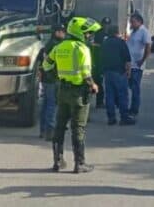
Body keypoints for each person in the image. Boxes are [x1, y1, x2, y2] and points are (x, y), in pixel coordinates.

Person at [42, 17, 101, 174]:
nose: (90, 36)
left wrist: (58, 75)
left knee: (60, 126)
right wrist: (93, 86)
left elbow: (46, 65)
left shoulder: (59, 47)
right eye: (88, 33)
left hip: (62, 91)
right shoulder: (82, 49)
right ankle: (79, 163)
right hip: (79, 93)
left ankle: (58, 161)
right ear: (81, 33)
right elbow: (86, 73)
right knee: (78, 128)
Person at [101, 25, 135, 126]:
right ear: (117, 32)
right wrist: (128, 71)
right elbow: (127, 59)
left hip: (108, 72)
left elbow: (101, 57)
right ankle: (124, 117)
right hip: (119, 73)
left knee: (109, 96)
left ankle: (111, 118)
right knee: (122, 95)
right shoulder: (121, 43)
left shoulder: (105, 43)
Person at [40, 24, 66, 140]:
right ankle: (49, 131)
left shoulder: (48, 44)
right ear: (57, 32)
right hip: (52, 78)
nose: (63, 34)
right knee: (52, 105)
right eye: (62, 32)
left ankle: (43, 130)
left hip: (47, 78)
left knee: (46, 105)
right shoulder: (55, 45)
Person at [127, 13, 152, 118]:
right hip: (130, 65)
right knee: (130, 87)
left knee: (135, 88)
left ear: (139, 22)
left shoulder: (143, 32)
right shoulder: (133, 32)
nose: (131, 23)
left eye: (133, 22)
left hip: (137, 66)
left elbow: (148, 46)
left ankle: (134, 109)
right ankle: (130, 107)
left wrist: (142, 60)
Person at [91, 17, 112, 109]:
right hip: (98, 61)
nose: (106, 26)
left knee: (103, 83)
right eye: (104, 24)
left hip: (105, 61)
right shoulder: (98, 33)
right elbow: (95, 46)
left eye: (107, 24)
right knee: (98, 81)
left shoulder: (109, 34)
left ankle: (101, 101)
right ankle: (99, 102)